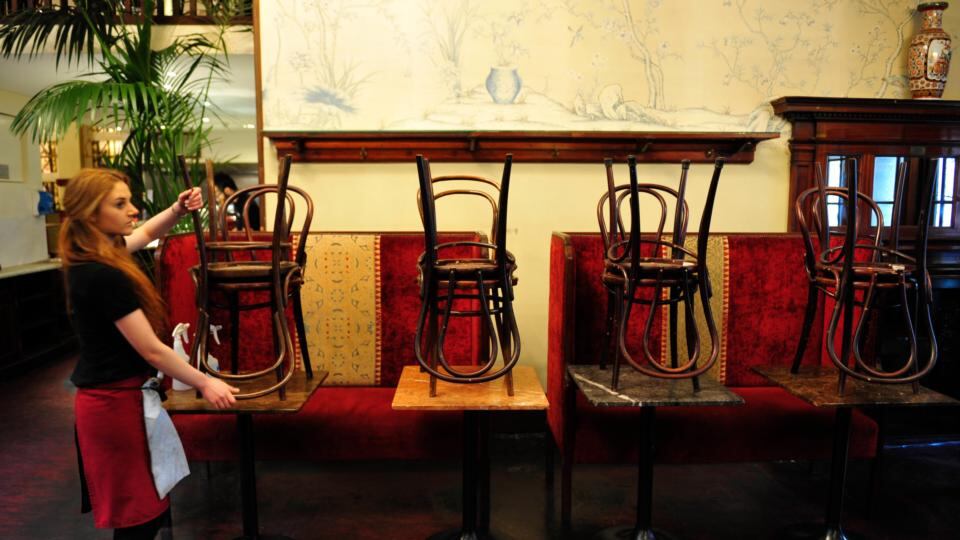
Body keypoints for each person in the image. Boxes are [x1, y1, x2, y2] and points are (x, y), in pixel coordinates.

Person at [59, 168, 239, 539]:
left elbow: (144, 234)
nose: (133, 210)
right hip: (111, 406)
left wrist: (177, 209)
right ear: (91, 214)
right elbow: (152, 350)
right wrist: (206, 382)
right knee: (137, 520)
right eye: (119, 204)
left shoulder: (97, 258)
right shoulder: (102, 274)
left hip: (121, 400)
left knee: (147, 515)